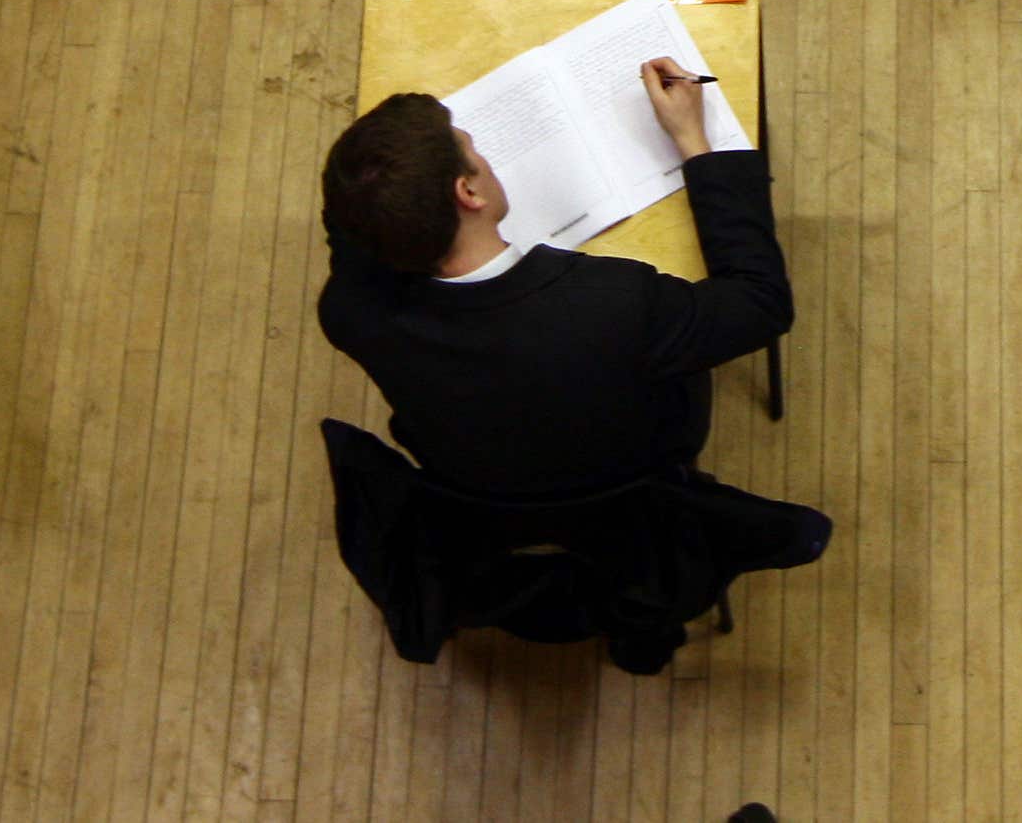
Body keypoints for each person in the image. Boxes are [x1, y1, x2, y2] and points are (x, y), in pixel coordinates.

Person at [316, 63, 792, 500]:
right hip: (643, 480)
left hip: (480, 497)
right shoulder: (613, 305)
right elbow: (760, 302)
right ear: (469, 192)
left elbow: (345, 220)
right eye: (473, 151)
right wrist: (693, 141)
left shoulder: (350, 310)